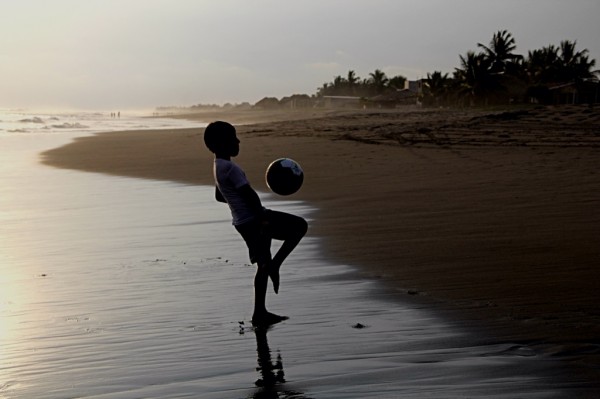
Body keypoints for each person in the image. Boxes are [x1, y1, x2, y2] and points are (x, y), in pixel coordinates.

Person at [203, 121, 308, 326]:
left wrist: (236, 204)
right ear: (224, 143)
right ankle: (275, 269)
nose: (238, 141)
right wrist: (262, 217)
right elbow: (249, 195)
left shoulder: (218, 166)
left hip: (242, 221)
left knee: (262, 263)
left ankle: (260, 312)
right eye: (234, 138)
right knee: (300, 226)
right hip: (254, 219)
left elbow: (220, 195)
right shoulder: (231, 168)